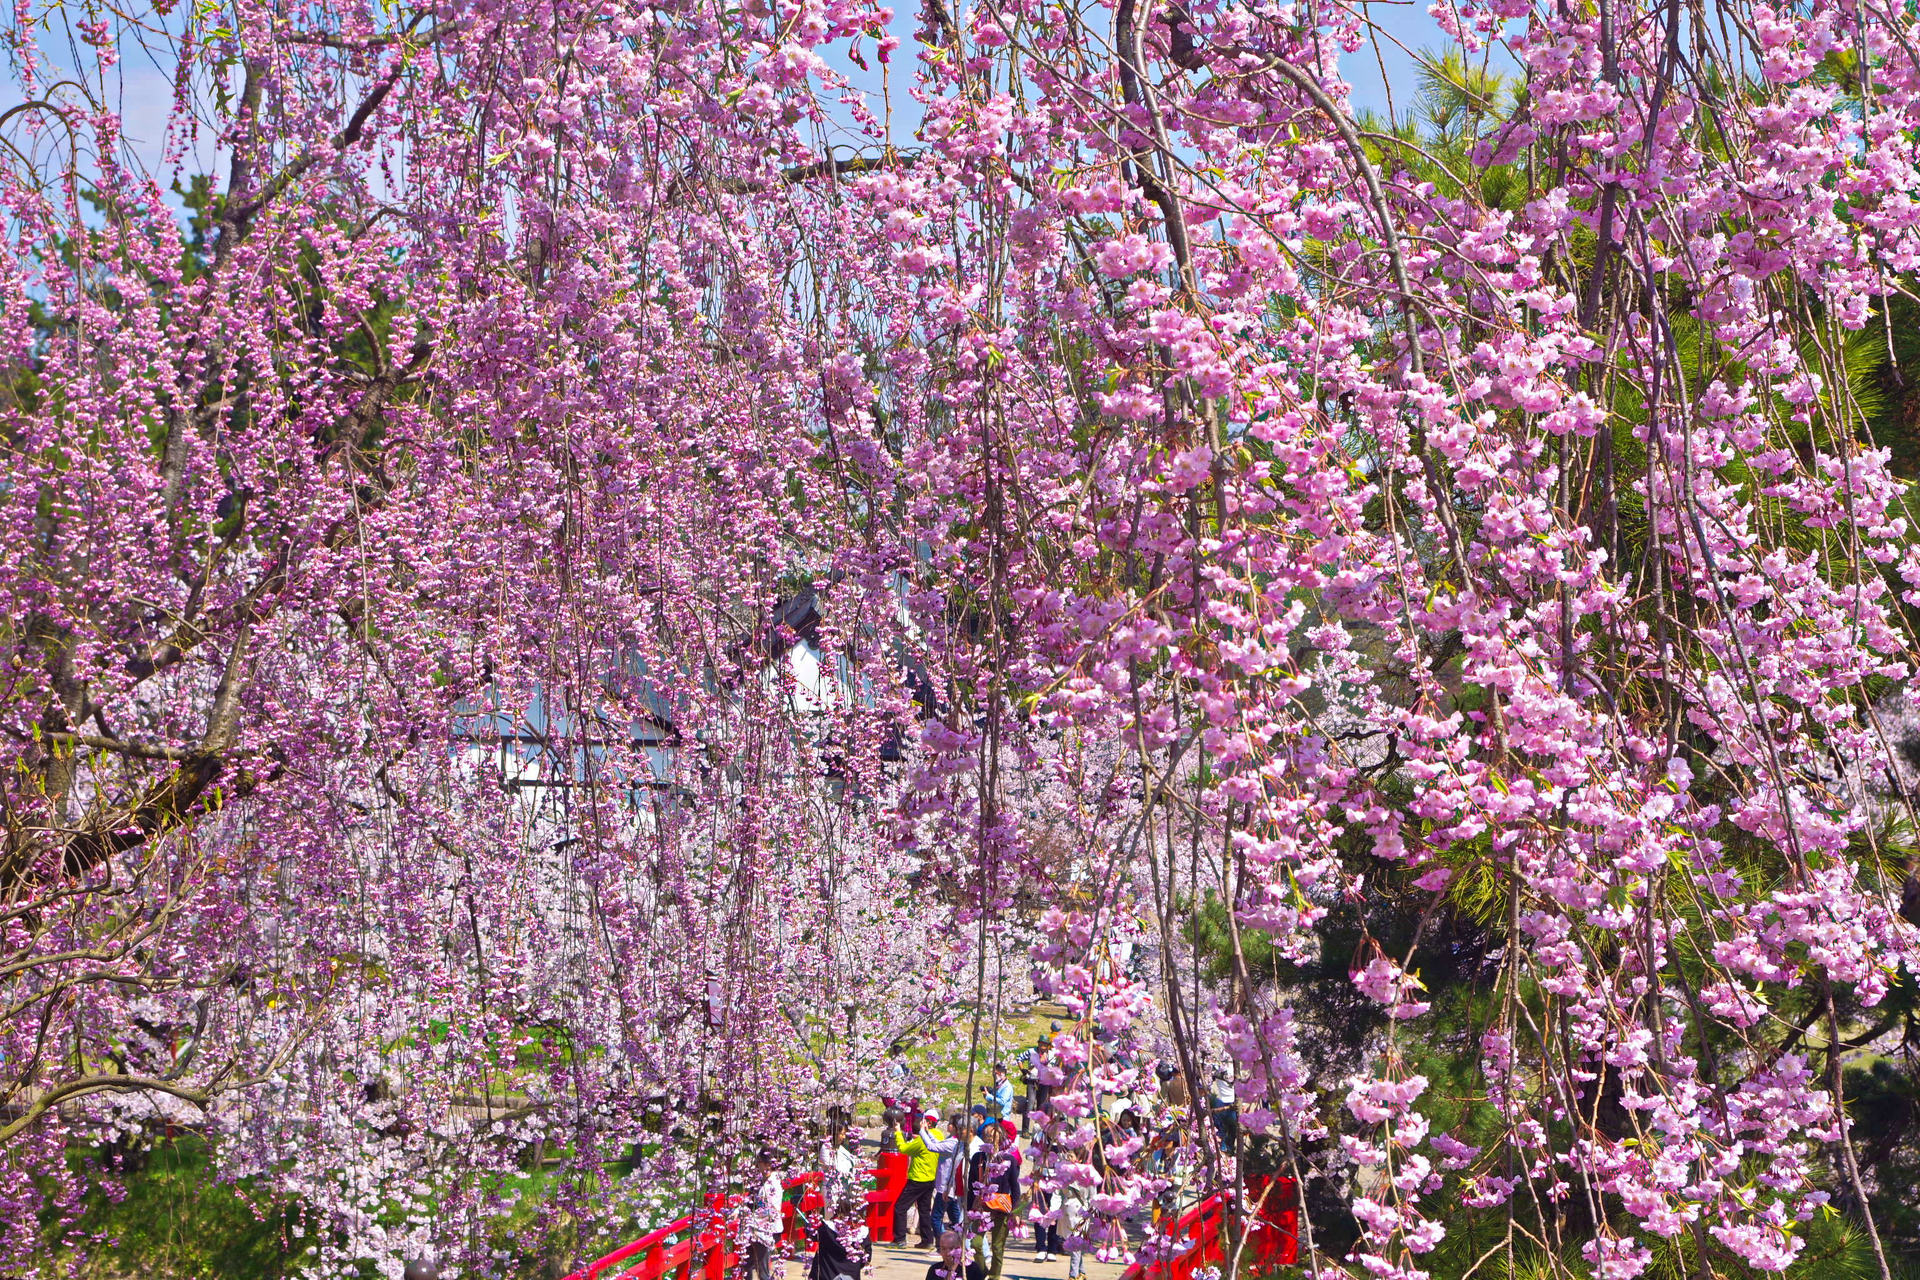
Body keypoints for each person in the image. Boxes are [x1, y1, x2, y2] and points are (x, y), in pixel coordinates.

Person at [895, 1111, 942, 1249]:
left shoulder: (923, 1139)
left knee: (900, 1207)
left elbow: (903, 1148)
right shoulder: (939, 1135)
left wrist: (898, 1132)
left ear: (929, 1123)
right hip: (931, 1178)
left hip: (918, 1179)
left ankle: (900, 1239)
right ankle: (927, 1240)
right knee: (924, 1209)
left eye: (923, 1120)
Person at [745, 1150, 786, 1280]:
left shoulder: (773, 1183)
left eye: (771, 1164)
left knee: (762, 1270)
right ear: (759, 1163)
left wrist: (751, 1218)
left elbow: (771, 1210)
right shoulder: (759, 1181)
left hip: (767, 1230)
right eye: (764, 1163)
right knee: (746, 1264)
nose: (768, 1167)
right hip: (755, 1228)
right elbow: (750, 1201)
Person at [929, 1112, 965, 1237]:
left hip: (945, 1186)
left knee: (935, 1218)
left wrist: (923, 1131)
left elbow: (932, 1146)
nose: (948, 1125)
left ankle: (941, 1244)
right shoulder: (952, 1140)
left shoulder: (953, 1143)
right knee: (955, 1219)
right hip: (948, 1186)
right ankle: (957, 1242)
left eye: (950, 1123)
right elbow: (937, 1143)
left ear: (956, 1127)